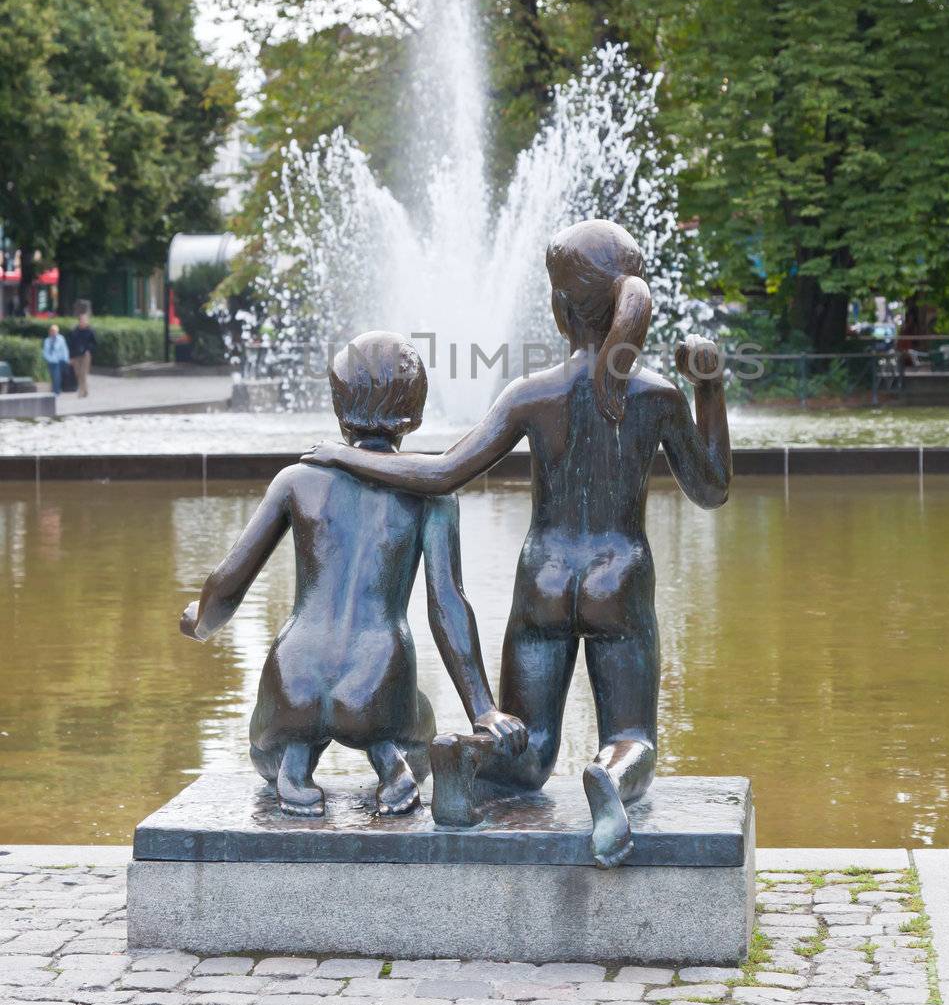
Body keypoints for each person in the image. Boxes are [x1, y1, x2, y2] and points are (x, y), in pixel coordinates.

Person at [303, 219, 731, 867]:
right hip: (618, 578)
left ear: (560, 309)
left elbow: (440, 472)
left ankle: (467, 756)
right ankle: (609, 779)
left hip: (544, 581)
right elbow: (711, 489)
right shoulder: (659, 396)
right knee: (631, 735)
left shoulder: (531, 394)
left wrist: (346, 456)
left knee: (525, 756)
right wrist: (710, 388)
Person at [181, 330, 526, 818]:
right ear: (418, 411)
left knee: (268, 752)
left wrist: (202, 621)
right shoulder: (430, 495)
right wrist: (481, 708)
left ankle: (296, 765)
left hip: (292, 674)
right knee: (418, 736)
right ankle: (389, 762)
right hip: (377, 676)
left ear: (338, 406)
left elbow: (230, 577)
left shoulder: (297, 482)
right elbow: (447, 603)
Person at [66, 307, 97, 398]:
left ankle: (81, 392)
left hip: (85, 355)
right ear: (79, 321)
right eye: (82, 320)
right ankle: (85, 390)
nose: (84, 321)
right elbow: (70, 344)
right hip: (76, 355)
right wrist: (70, 357)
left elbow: (94, 343)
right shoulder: (74, 331)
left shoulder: (90, 331)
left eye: (86, 320)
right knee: (78, 374)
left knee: (83, 373)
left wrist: (88, 349)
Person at [41, 324, 69, 398]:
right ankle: (54, 390)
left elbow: (64, 350)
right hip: (51, 361)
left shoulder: (61, 339)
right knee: (53, 376)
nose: (53, 332)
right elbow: (45, 351)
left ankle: (56, 392)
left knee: (57, 376)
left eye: (55, 331)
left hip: (59, 361)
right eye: (52, 331)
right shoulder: (47, 340)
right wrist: (48, 358)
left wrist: (66, 359)